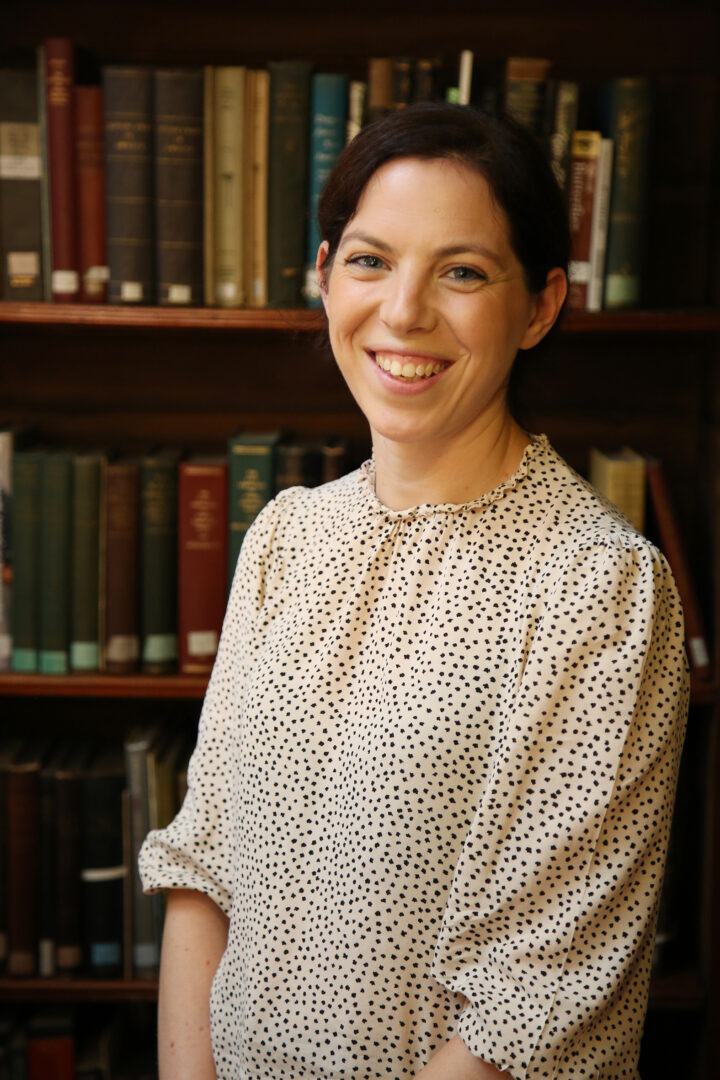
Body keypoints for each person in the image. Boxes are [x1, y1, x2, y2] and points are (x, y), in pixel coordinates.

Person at [139, 102, 689, 1080]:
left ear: (542, 306)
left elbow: (542, 997)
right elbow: (202, 871)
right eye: (369, 260)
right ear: (323, 276)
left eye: (463, 271)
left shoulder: (603, 589)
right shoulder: (285, 538)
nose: (403, 312)